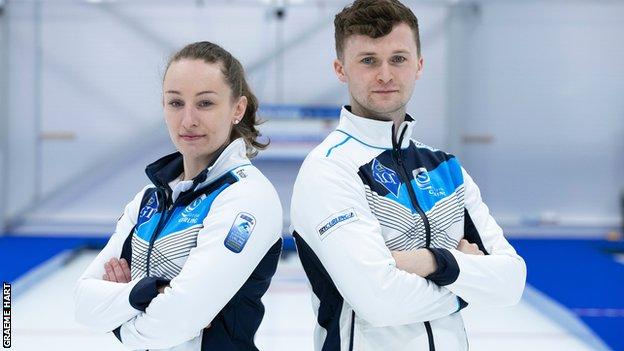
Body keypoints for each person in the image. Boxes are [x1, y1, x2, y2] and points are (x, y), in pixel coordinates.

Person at [290, 1, 527, 350]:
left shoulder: (445, 167)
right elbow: (380, 300)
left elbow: (511, 282)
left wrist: (431, 261)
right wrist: (466, 284)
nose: (385, 74)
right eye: (368, 60)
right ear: (341, 69)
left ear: (419, 65)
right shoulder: (329, 169)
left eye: (398, 59)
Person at [74, 41, 283, 350]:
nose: (188, 120)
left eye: (205, 103)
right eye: (175, 103)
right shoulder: (149, 198)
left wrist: (119, 322)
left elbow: (180, 319)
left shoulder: (247, 195)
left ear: (237, 109)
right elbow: (83, 303)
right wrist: (150, 291)